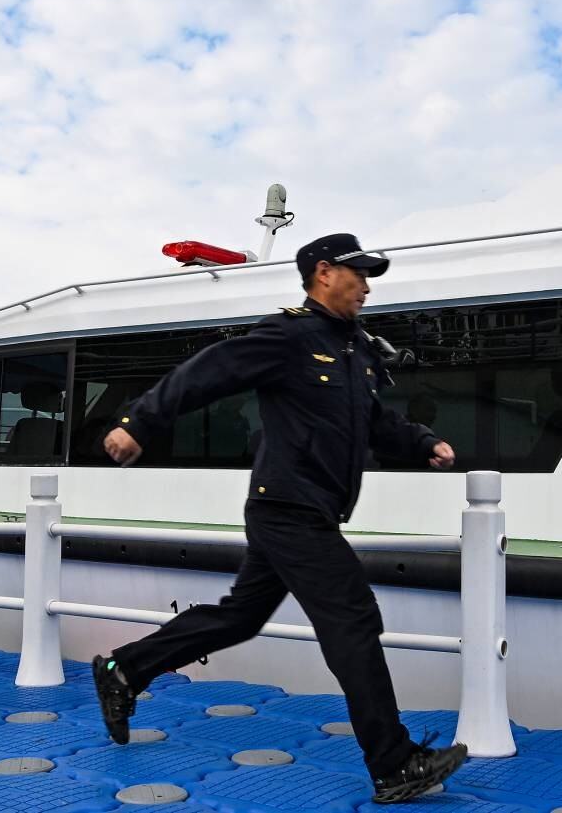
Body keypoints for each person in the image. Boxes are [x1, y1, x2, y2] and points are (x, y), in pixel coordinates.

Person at [91, 233, 470, 805]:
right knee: (353, 618)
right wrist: (139, 422)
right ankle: (394, 764)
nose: (367, 289)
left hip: (306, 508)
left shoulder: (355, 351)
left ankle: (124, 670)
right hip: (288, 507)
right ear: (324, 273)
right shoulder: (290, 336)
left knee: (240, 617)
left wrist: (423, 442)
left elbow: (372, 421)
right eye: (359, 276)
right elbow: (208, 371)